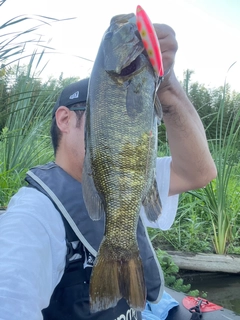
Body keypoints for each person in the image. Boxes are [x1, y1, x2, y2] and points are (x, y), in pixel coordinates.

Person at [0, 23, 217, 320]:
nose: (113, 113)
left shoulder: (130, 175)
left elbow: (199, 173)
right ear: (64, 119)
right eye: (99, 108)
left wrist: (166, 86)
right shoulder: (33, 215)